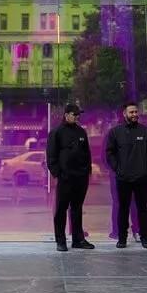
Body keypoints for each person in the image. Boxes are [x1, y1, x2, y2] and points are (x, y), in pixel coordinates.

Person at [105, 102, 147, 249]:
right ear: (125, 114)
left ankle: (144, 237)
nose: (134, 114)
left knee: (142, 208)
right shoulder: (115, 132)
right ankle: (122, 238)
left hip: (141, 177)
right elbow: (109, 153)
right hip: (123, 178)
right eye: (131, 112)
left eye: (136, 112)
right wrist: (117, 169)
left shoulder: (145, 131)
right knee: (123, 209)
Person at [46, 103, 94, 251]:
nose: (77, 117)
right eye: (74, 114)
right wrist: (58, 174)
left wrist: (87, 171)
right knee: (61, 209)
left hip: (81, 177)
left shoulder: (81, 132)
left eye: (78, 114)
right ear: (66, 115)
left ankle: (78, 239)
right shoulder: (56, 132)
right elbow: (51, 156)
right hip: (65, 178)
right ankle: (61, 241)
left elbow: (87, 153)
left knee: (77, 209)